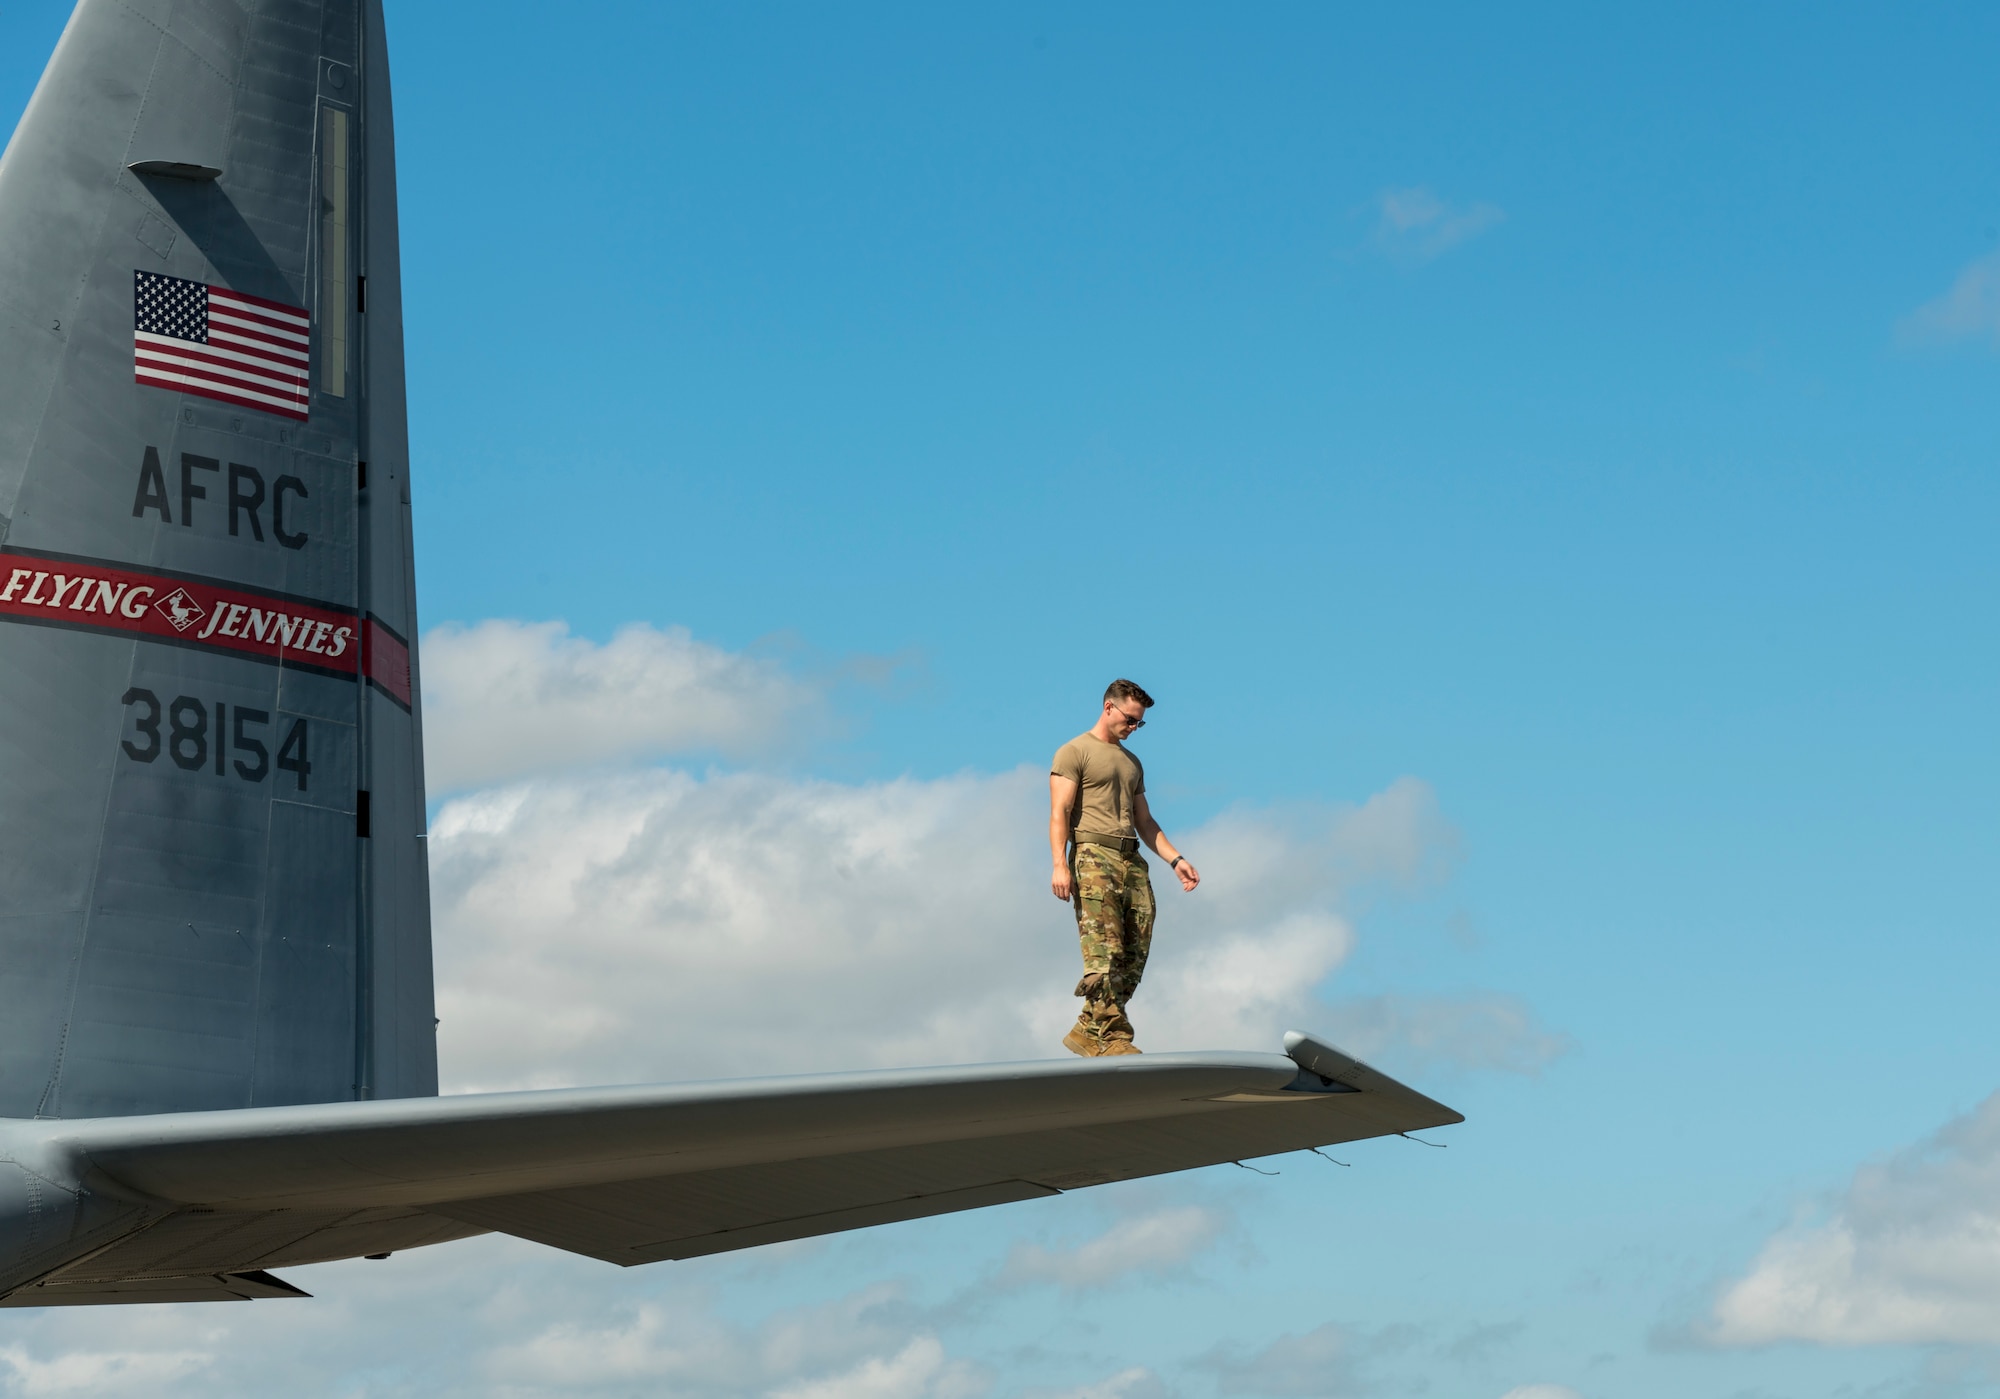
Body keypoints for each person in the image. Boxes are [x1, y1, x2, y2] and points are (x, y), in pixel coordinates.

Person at [1049, 679, 1200, 1057]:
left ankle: (1089, 1026)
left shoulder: (1132, 762)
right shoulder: (1074, 752)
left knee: (1135, 950)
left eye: (1139, 724)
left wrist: (1176, 859)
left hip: (1131, 858)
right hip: (1092, 855)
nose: (1133, 728)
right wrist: (1059, 865)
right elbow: (1059, 812)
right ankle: (1113, 1037)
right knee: (1105, 951)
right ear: (1108, 707)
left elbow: (1145, 821)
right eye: (1130, 720)